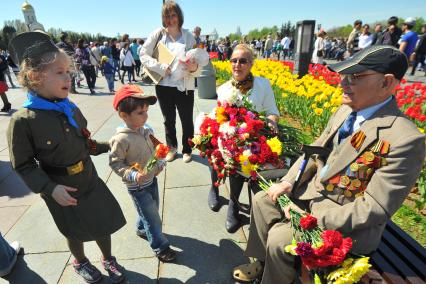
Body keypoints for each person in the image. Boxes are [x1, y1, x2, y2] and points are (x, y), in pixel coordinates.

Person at [231, 45, 425, 284]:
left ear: (386, 83)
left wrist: (310, 220)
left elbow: (373, 209)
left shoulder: (404, 139)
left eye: (355, 77)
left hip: (345, 223)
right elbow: (314, 150)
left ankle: (275, 276)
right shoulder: (346, 110)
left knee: (280, 239)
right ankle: (262, 264)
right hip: (312, 195)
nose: (343, 83)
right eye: (344, 75)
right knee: (263, 200)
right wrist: (288, 182)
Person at [7, 31, 127, 283]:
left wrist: (110, 145)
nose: (68, 76)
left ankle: (108, 258)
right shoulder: (23, 121)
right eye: (59, 72)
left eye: (68, 70)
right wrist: (50, 188)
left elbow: (86, 143)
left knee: (102, 220)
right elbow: (24, 165)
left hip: (89, 178)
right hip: (62, 189)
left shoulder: (69, 107)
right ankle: (80, 261)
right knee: (73, 230)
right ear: (35, 77)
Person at [208, 44, 279, 233]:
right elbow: (220, 117)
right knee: (212, 142)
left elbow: (272, 112)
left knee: (245, 154)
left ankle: (235, 202)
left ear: (251, 64)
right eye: (234, 60)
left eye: (243, 61)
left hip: (253, 135)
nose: (237, 65)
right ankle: (218, 191)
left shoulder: (263, 85)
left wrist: (272, 122)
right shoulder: (223, 89)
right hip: (230, 136)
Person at [109, 84, 179, 262]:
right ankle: (160, 247)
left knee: (151, 209)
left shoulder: (146, 129)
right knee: (153, 217)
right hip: (137, 186)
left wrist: (160, 160)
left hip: (151, 179)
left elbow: (157, 148)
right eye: (140, 112)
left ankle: (142, 228)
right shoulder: (120, 139)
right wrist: (133, 175)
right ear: (124, 115)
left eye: (146, 111)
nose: (146, 115)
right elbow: (116, 163)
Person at [140, 1, 202, 164]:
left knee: (187, 119)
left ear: (179, 16)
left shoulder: (188, 36)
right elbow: (143, 54)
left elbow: (198, 62)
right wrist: (160, 67)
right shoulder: (158, 34)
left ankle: (187, 149)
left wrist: (193, 66)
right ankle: (172, 148)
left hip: (184, 86)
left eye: (173, 15)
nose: (170, 19)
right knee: (169, 120)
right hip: (163, 86)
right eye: (166, 16)